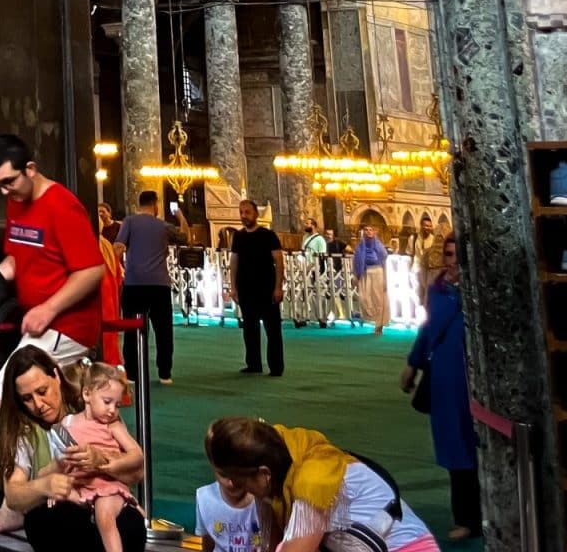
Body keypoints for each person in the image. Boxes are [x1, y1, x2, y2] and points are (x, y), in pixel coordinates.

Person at [0, 345, 145, 551]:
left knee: (129, 525)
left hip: (106, 506)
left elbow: (136, 473)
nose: (38, 403)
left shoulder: (92, 404)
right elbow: (14, 494)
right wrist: (45, 485)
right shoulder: (23, 428)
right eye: (27, 398)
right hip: (64, 511)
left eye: (42, 391)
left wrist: (101, 461)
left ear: (56, 377)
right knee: (40, 520)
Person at [205, 415, 439, 550]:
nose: (232, 487)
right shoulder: (271, 448)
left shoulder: (312, 481)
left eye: (240, 482)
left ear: (263, 474)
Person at [0, 133, 104, 366]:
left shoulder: (62, 205)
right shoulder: (16, 201)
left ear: (30, 169)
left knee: (8, 390)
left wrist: (48, 309)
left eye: (9, 182)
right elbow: (17, 257)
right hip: (41, 324)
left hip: (68, 326)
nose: (4, 191)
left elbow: (92, 270)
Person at [403, 235, 478, 541]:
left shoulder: (479, 292)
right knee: (456, 451)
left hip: (473, 383)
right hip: (446, 383)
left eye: (459, 256)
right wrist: (413, 363)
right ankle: (467, 518)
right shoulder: (438, 290)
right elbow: (429, 328)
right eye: (448, 255)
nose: (453, 262)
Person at [57, 363, 142, 552]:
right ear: (87, 394)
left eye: (117, 405)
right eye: (107, 401)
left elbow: (137, 455)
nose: (112, 410)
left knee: (105, 516)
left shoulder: (113, 425)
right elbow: (60, 459)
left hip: (107, 487)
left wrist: (112, 462)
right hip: (79, 486)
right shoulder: (68, 422)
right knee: (57, 497)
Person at [114, 190, 179, 384]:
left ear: (139, 203)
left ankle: (132, 373)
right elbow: (185, 236)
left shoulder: (130, 222)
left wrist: (116, 269)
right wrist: (180, 216)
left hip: (134, 284)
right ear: (156, 204)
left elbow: (118, 247)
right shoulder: (164, 226)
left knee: (132, 329)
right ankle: (164, 373)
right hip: (159, 285)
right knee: (163, 330)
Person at [230, 199, 285, 377]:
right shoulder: (238, 237)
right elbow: (234, 262)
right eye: (241, 212)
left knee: (273, 330)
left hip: (267, 288)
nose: (244, 216)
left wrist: (278, 287)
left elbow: (279, 261)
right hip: (246, 289)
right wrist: (233, 287)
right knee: (250, 329)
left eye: (247, 212)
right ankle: (253, 363)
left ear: (256, 214)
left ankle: (276, 367)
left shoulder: (268, 235)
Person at [354, 224, 389, 335]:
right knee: (365, 298)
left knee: (378, 298)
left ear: (374, 232)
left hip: (377, 272)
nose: (368, 232)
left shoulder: (379, 246)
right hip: (365, 273)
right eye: (366, 230)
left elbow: (383, 258)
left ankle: (379, 325)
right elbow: (357, 261)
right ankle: (372, 319)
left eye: (370, 230)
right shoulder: (360, 246)